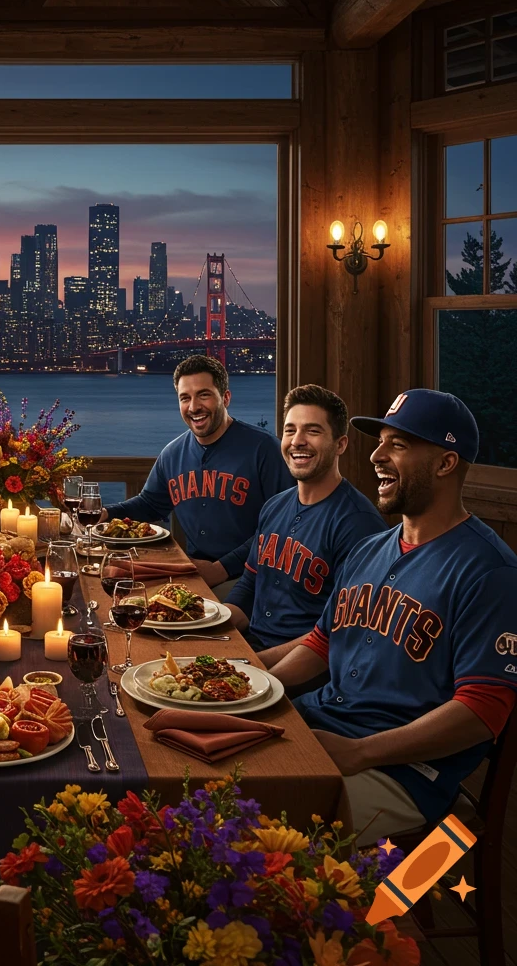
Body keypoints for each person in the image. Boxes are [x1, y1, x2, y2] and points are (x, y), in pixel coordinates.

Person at [271, 389, 517, 845]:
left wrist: (360, 752)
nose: (377, 456)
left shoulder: (490, 573)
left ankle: (394, 891)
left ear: (445, 463)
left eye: (398, 445)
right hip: (318, 725)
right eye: (380, 441)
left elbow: (482, 711)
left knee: (252, 827)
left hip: (402, 773)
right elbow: (322, 643)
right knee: (198, 778)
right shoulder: (369, 549)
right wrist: (255, 690)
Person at [225, 385, 385, 668]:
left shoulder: (359, 524)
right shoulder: (274, 506)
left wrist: (250, 666)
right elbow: (249, 585)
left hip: (303, 670)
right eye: (290, 430)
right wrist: (209, 625)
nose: (297, 441)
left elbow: (341, 633)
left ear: (340, 445)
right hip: (251, 648)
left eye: (312, 431)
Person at [104, 354, 293, 592]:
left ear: (225, 398)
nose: (194, 407)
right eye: (185, 398)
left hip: (256, 578)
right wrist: (104, 513)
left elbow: (283, 526)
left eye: (204, 395)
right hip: (195, 571)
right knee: (118, 588)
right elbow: (150, 504)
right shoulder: (172, 453)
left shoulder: (265, 450)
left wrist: (222, 568)